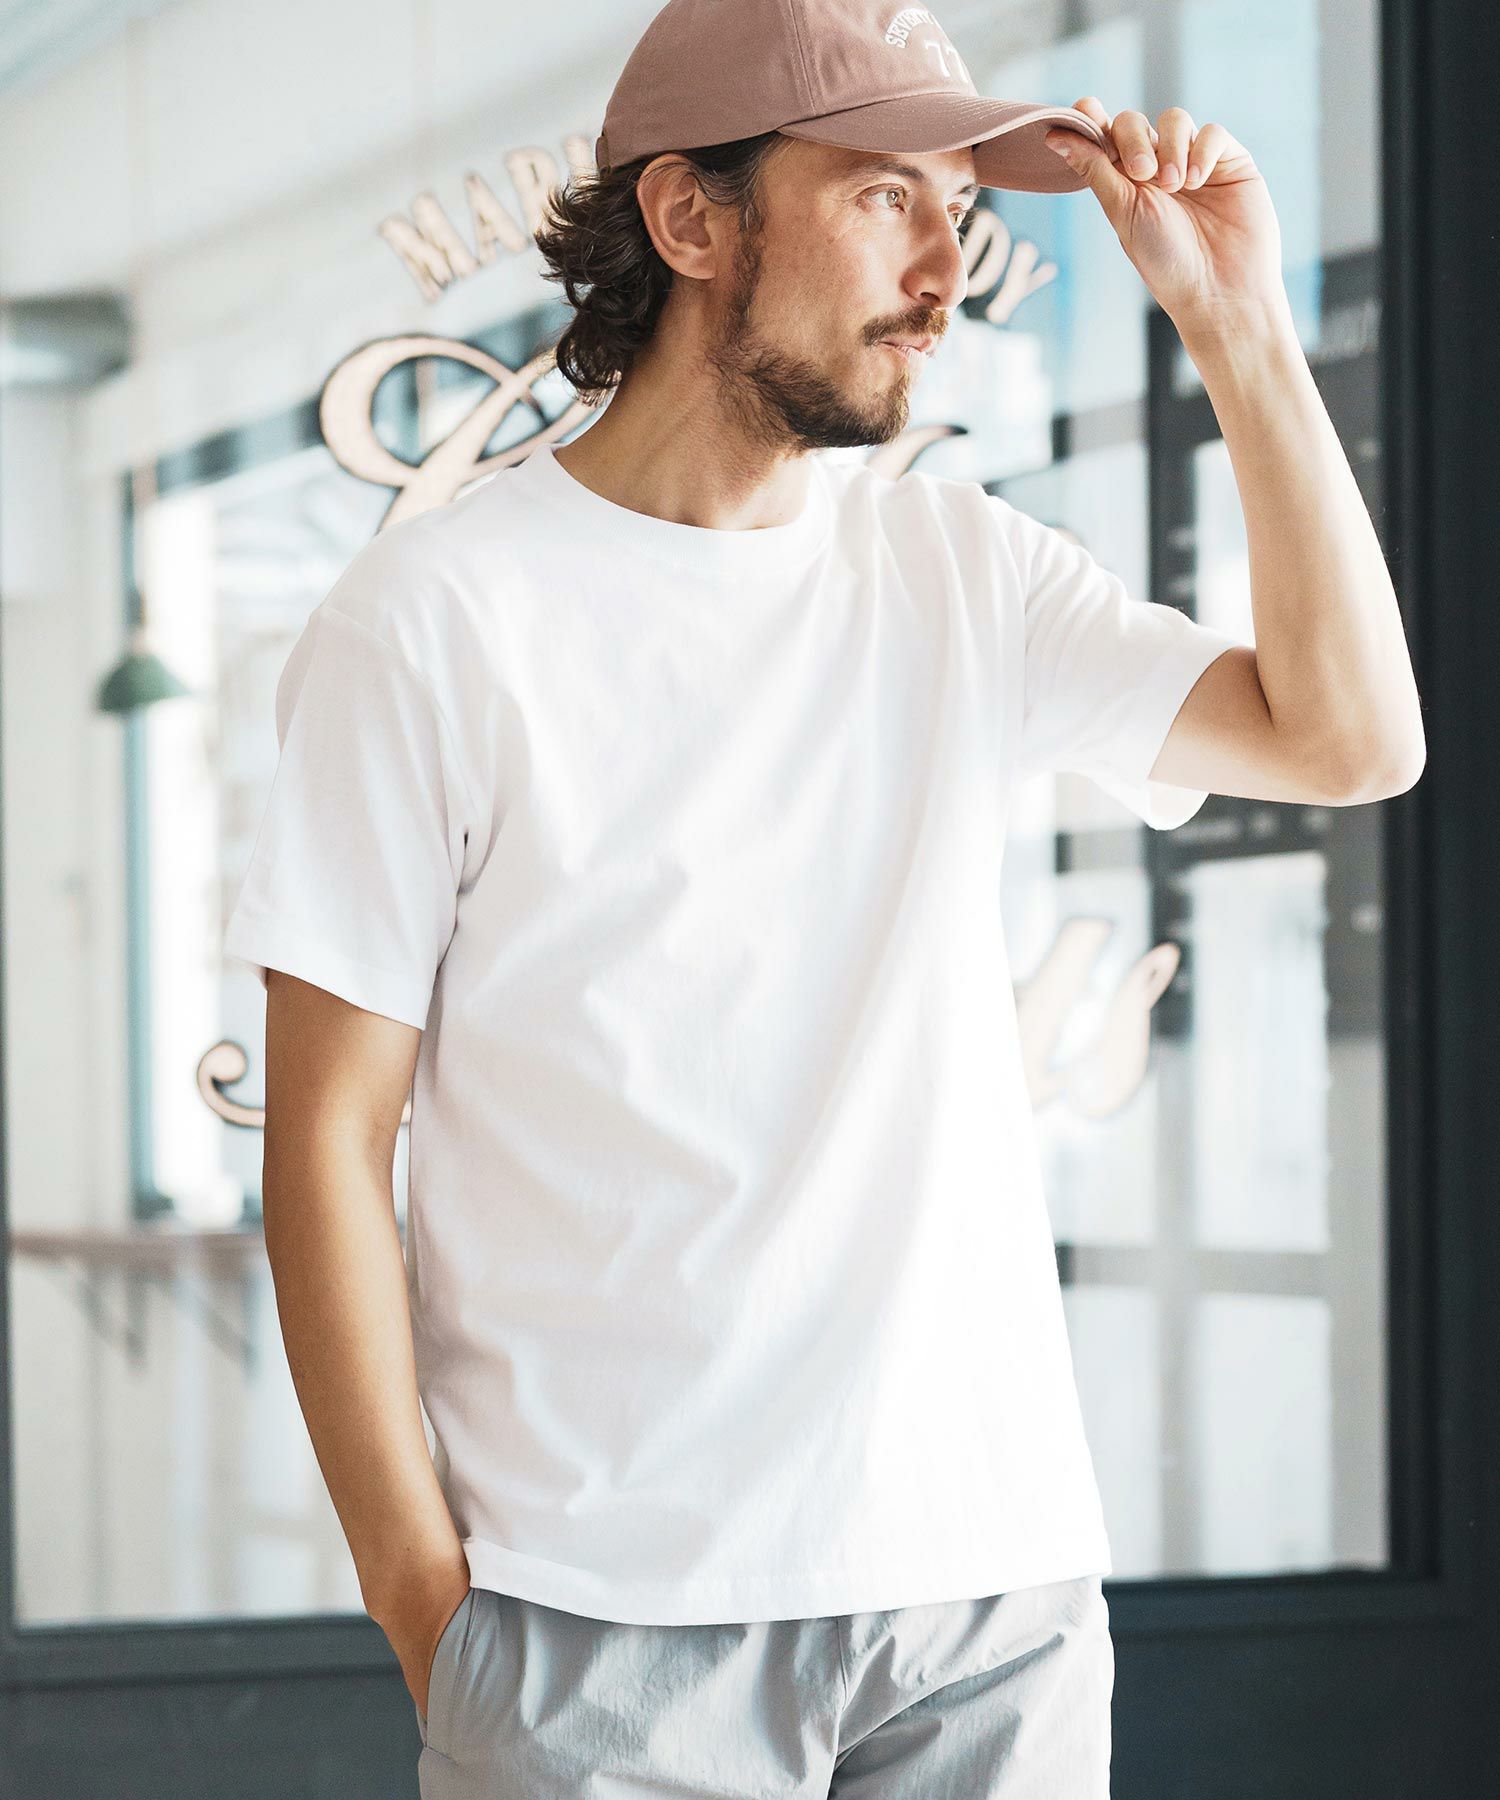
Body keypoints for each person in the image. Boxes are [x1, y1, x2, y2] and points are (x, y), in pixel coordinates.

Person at [223, 1, 1424, 1794]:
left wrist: (1237, 326)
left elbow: (1351, 740)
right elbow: (328, 1137)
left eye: (957, 207)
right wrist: (427, 1606)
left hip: (988, 1615)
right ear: (690, 220)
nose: (944, 269)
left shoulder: (962, 568)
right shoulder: (435, 621)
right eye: (882, 198)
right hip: (597, 1626)